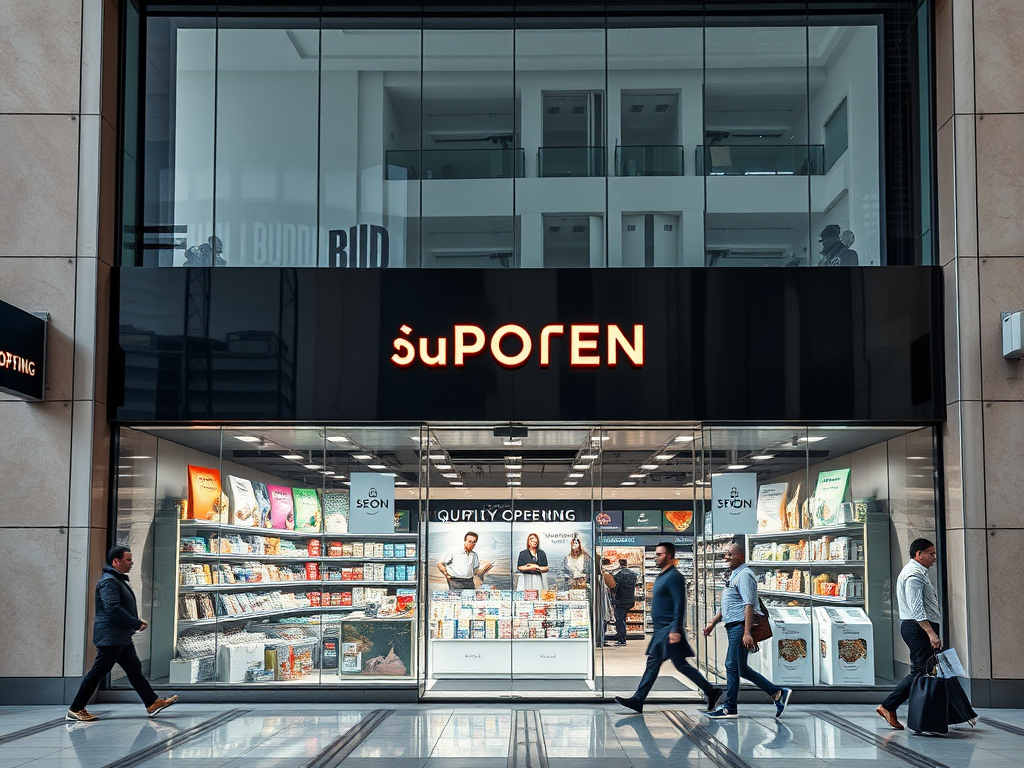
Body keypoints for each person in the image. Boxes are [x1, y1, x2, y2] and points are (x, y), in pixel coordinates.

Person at [67, 546, 178, 722]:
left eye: (131, 559)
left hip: (119, 637)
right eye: (128, 559)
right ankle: (76, 708)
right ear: (116, 561)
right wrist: (135, 622)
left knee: (134, 670)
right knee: (97, 672)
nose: (131, 562)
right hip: (111, 637)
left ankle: (152, 702)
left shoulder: (115, 579)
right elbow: (113, 608)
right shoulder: (109, 581)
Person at [615, 542, 722, 713]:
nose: (656, 557)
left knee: (654, 663)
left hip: (668, 630)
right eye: (656, 554)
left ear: (670, 556)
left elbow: (680, 604)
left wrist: (675, 629)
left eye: (659, 555)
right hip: (662, 630)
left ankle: (638, 700)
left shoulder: (675, 577)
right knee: (679, 664)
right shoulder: (663, 575)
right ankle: (711, 691)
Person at [703, 540, 791, 719]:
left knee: (731, 666)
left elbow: (749, 604)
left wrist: (747, 632)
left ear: (739, 556)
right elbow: (729, 604)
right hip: (733, 625)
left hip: (740, 626)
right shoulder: (735, 574)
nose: (726, 557)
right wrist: (713, 622)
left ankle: (730, 708)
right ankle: (777, 693)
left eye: (729, 554)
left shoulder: (745, 574)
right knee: (741, 668)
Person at [876, 538, 941, 730]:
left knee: (921, 671)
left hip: (917, 627)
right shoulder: (914, 575)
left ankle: (917, 715)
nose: (934, 558)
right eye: (931, 554)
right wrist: (931, 633)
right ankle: (888, 706)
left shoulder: (917, 572)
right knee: (922, 671)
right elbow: (916, 608)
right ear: (918, 554)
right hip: (918, 628)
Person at [611, 558, 638, 646]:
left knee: (620, 619)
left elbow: (615, 586)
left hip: (621, 600)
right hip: (630, 600)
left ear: (619, 564)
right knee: (623, 618)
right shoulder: (633, 574)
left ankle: (621, 639)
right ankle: (621, 635)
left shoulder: (618, 574)